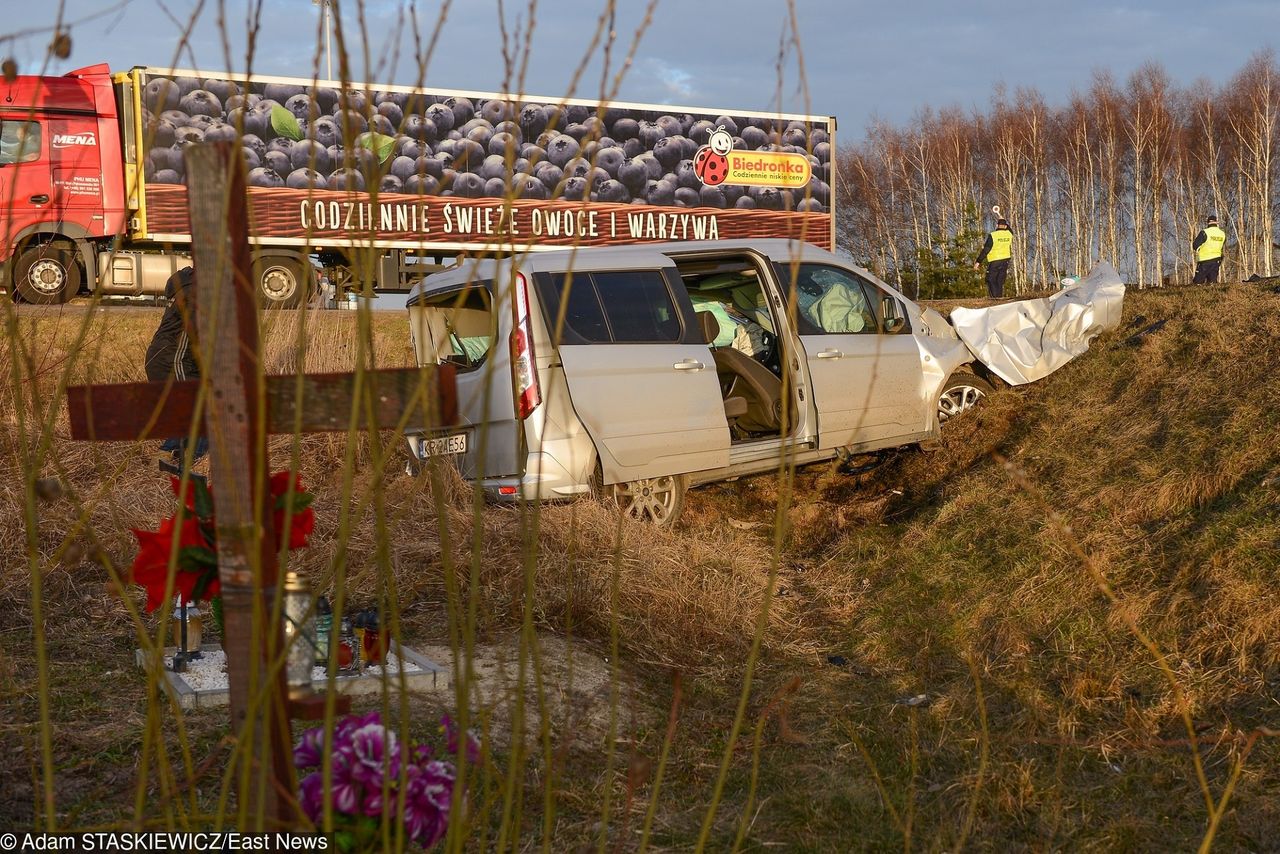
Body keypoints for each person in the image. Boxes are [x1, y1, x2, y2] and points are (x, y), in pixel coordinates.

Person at [144, 266, 207, 475]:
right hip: (173, 360)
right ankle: (184, 461)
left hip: (168, 358)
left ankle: (176, 457)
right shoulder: (194, 293)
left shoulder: (189, 285)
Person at [974, 217, 1014, 298]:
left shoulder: (993, 235)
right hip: (1005, 261)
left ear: (997, 225)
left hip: (995, 260)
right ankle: (999, 297)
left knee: (991, 279)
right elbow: (1010, 229)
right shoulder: (1009, 234)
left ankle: (995, 299)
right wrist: (1002, 218)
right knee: (1000, 280)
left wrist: (978, 261)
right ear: (1005, 226)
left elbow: (986, 249)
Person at [1191, 215, 1226, 284]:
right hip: (1216, 260)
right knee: (1212, 283)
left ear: (1208, 223)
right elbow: (1222, 245)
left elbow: (1195, 245)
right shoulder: (1222, 234)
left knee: (1198, 283)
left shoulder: (1204, 232)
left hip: (1204, 261)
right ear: (1216, 222)